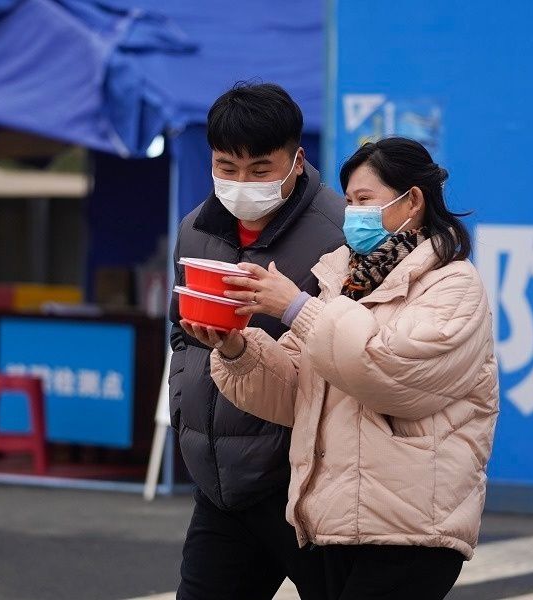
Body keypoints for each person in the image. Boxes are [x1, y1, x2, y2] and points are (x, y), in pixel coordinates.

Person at [182, 137, 499, 599]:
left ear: (412, 200)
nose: (354, 214)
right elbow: (293, 392)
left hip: (409, 529)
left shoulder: (452, 284)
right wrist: (236, 349)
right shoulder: (340, 279)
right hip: (333, 520)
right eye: (349, 202)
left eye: (365, 201)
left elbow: (390, 374)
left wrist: (296, 308)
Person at [168, 83, 345, 600]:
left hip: (308, 481)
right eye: (226, 167)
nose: (242, 183)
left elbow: (350, 350)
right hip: (220, 482)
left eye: (260, 170)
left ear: (296, 160)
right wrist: (187, 411)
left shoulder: (338, 233)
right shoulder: (195, 229)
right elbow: (179, 332)